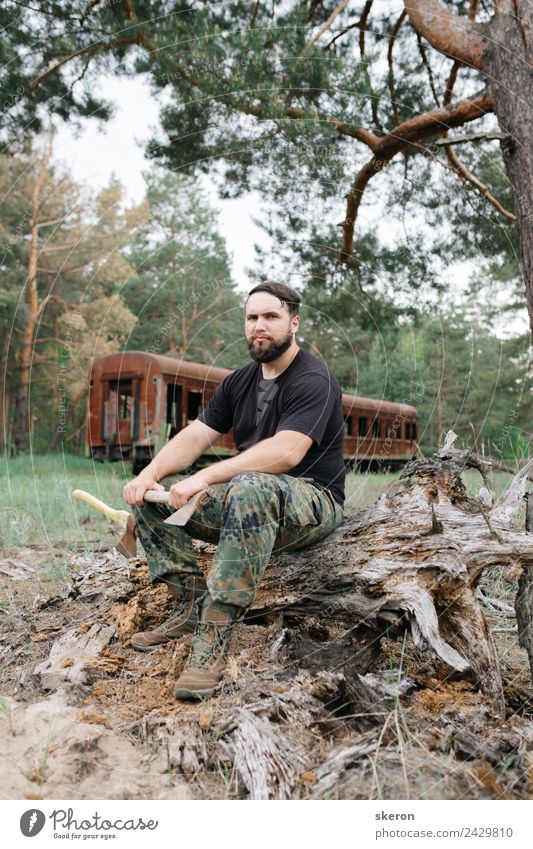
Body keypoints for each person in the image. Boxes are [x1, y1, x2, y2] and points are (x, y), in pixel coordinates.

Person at [122, 281, 346, 699]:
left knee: (248, 486)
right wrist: (148, 474)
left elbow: (287, 452)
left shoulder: (314, 378)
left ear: (294, 324)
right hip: (253, 498)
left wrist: (207, 477)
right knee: (158, 496)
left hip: (313, 501)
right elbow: (195, 437)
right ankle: (189, 604)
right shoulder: (238, 382)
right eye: (252, 318)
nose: (259, 326)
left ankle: (215, 634)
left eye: (271, 317)